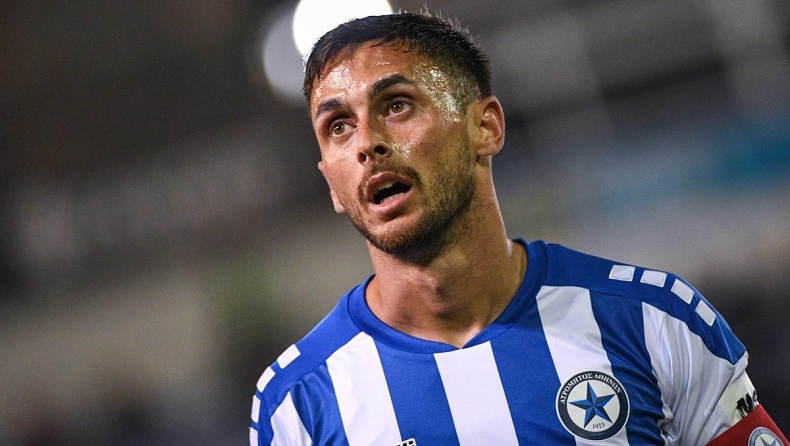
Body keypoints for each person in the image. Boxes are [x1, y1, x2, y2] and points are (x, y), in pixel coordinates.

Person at [250, 10, 787, 445]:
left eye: (396, 106)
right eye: (338, 126)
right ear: (330, 182)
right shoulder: (299, 405)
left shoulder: (653, 321)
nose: (367, 143)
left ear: (485, 127)